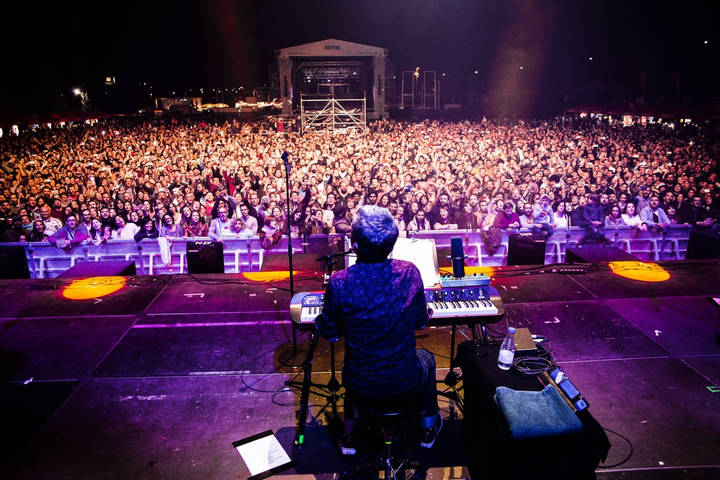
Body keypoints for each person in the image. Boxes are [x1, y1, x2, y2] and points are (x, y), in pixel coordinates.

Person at [316, 205, 442, 456]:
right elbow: (420, 323)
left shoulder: (340, 281)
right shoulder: (409, 272)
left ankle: (350, 437)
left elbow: (330, 332)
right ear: (391, 245)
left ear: (354, 245)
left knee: (357, 363)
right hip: (404, 378)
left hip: (360, 381)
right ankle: (428, 426)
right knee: (426, 358)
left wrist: (323, 319)